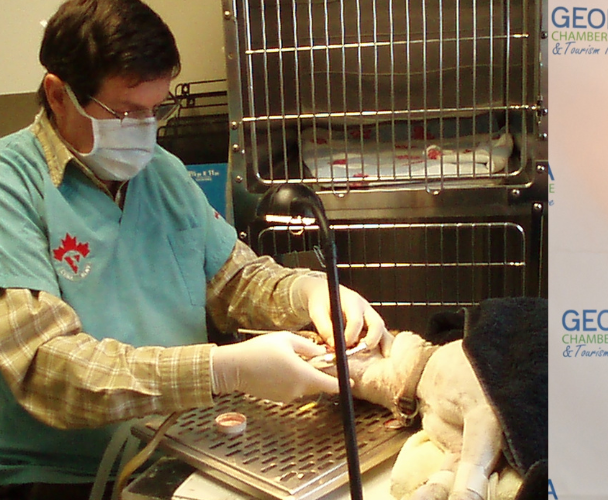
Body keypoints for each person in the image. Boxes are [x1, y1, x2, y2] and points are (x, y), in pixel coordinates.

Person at [0, 0, 387, 497]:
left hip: (178, 444)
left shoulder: (162, 172)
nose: (145, 129)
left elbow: (235, 279)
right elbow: (46, 369)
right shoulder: (14, 185)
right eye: (125, 112)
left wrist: (312, 293)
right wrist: (223, 369)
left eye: (156, 110)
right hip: (61, 472)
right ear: (58, 94)